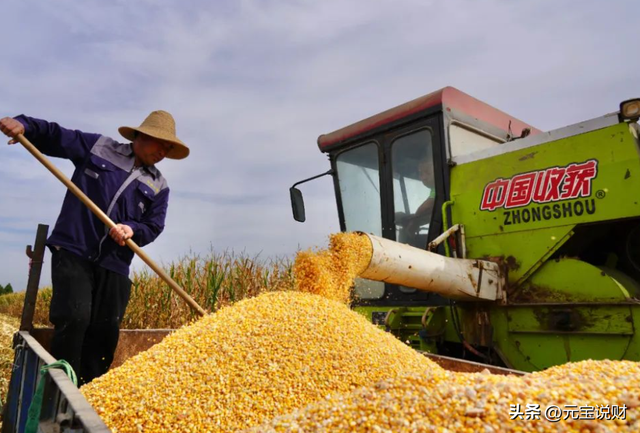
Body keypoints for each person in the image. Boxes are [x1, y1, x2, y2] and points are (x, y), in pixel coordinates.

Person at [0, 110, 189, 384]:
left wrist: (132, 229)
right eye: (161, 143)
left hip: (114, 262)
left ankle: (91, 395)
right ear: (141, 136)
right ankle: (62, 390)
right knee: (74, 317)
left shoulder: (159, 185)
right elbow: (57, 135)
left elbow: (154, 225)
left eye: (168, 148)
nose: (163, 152)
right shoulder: (100, 148)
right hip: (74, 249)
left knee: (105, 331)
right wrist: (25, 125)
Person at [395, 158, 436, 245]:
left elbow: (427, 207)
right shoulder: (434, 189)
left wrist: (414, 222)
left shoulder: (438, 188)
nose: (424, 177)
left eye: (428, 172)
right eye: (421, 174)